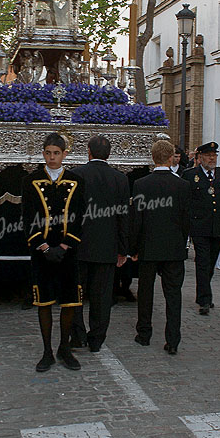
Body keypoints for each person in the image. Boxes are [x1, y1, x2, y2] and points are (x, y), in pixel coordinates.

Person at [21, 132, 85, 372]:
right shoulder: (31, 180)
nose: (52, 157)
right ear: (43, 153)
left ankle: (64, 348)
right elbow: (28, 217)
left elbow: (79, 216)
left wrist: (65, 245)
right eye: (48, 153)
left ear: (64, 154)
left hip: (68, 252)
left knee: (69, 302)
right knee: (44, 301)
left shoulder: (77, 180)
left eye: (56, 153)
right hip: (42, 252)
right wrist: (44, 246)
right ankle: (47, 351)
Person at [69, 135, 130, 352]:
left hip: (79, 245)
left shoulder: (76, 175)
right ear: (109, 154)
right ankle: (97, 338)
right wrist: (123, 249)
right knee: (102, 296)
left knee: (76, 292)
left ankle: (76, 335)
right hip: (107, 247)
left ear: (89, 152)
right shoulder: (120, 179)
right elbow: (124, 217)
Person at [130, 139, 191, 354]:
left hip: (148, 247)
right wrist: (181, 241)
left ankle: (144, 333)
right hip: (174, 247)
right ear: (171, 157)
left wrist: (134, 247)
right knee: (173, 294)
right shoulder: (183, 185)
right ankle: (173, 339)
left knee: (145, 293)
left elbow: (137, 219)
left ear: (153, 157)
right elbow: (186, 219)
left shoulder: (141, 184)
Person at [182, 142, 220, 315]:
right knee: (203, 261)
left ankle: (202, 292)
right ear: (200, 157)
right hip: (199, 226)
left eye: (214, 155)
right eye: (208, 155)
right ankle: (205, 299)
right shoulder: (190, 175)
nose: (212, 158)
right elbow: (186, 202)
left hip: (219, 226)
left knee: (210, 263)